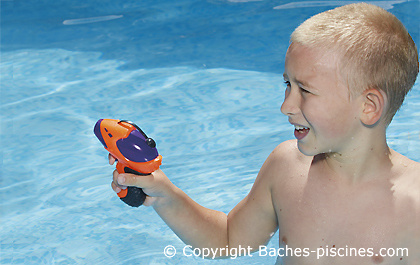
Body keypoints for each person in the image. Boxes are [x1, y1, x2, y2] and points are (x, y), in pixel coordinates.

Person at [109, 3, 419, 264]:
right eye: (288, 84)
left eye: (306, 91)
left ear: (369, 107)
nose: (286, 106)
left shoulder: (414, 205)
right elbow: (228, 240)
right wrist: (166, 197)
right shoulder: (287, 168)